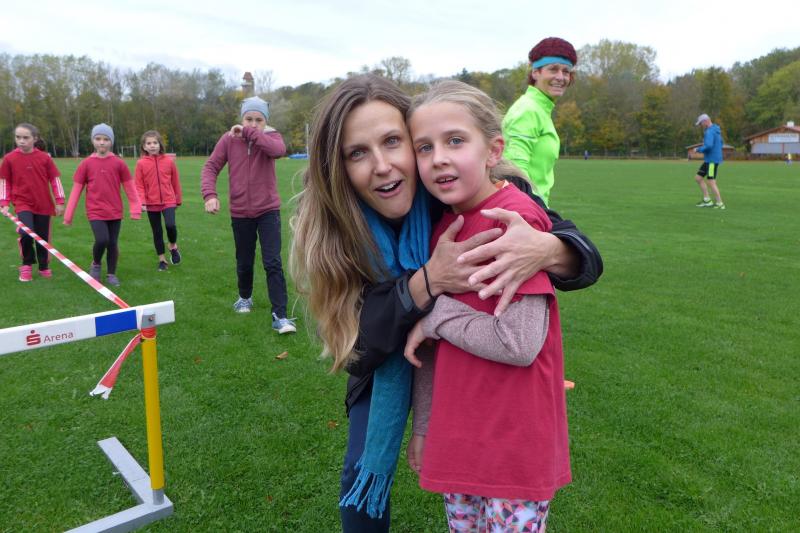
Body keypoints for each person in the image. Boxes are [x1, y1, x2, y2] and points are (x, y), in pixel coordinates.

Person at [290, 74, 602, 532]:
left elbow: (581, 255)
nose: (382, 166)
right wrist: (428, 282)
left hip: (462, 356)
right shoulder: (337, 226)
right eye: (357, 153)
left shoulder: (461, 190)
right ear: (338, 168)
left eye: (392, 142)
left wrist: (547, 248)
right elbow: (361, 345)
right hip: (382, 354)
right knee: (361, 470)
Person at [404, 79, 570, 532]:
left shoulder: (514, 220)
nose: (438, 158)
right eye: (424, 147)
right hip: (459, 436)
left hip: (514, 442)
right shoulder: (443, 226)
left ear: (493, 150)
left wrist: (436, 318)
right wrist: (425, 426)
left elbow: (518, 342)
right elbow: (430, 349)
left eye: (455, 141)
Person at [201, 96, 296, 334]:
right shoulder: (229, 139)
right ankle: (245, 297)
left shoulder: (272, 137)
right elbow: (211, 167)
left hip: (268, 210)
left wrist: (248, 133)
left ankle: (280, 316)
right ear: (242, 118)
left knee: (272, 262)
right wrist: (210, 194)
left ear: (266, 121)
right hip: (240, 212)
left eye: (258, 120)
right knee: (244, 261)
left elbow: (278, 151)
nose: (253, 124)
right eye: (248, 119)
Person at [502, 37, 578, 206]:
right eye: (553, 69)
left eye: (566, 71)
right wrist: (537, 213)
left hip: (534, 207)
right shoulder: (528, 110)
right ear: (535, 72)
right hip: (526, 209)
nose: (560, 77)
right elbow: (515, 170)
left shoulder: (540, 110)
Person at [63, 123, 141, 286]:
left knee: (112, 243)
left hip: (115, 211)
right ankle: (96, 264)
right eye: (98, 139)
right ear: (93, 141)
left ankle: (111, 274)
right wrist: (68, 216)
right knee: (102, 239)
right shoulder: (86, 164)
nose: (102, 142)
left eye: (106, 139)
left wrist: (135, 210)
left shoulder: (119, 163)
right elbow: (76, 191)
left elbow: (130, 188)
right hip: (95, 211)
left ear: (111, 141)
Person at [0, 123, 66, 281]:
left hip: (44, 204)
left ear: (35, 139)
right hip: (22, 203)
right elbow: (4, 181)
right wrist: (4, 202)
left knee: (42, 237)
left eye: (25, 137)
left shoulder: (44, 158)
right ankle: (26, 265)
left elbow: (55, 180)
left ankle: (43, 266)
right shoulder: (9, 159)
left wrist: (60, 201)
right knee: (26, 232)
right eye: (18, 137)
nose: (21, 141)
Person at [134, 130, 182, 271]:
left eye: (155, 142)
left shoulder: (169, 161)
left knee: (170, 225)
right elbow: (139, 185)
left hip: (168, 200)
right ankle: (162, 260)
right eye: (149, 143)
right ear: (144, 146)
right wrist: (142, 202)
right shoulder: (141, 164)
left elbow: (175, 181)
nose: (152, 145)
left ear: (160, 144)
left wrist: (178, 199)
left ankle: (172, 245)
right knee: (157, 232)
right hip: (151, 203)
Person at [693, 113, 725, 209]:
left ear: (705, 121)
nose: (700, 125)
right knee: (698, 178)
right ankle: (707, 200)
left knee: (711, 182)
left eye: (701, 123)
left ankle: (720, 203)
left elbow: (708, 145)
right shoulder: (715, 130)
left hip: (712, 160)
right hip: (709, 159)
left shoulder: (710, 131)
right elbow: (721, 142)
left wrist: (698, 149)